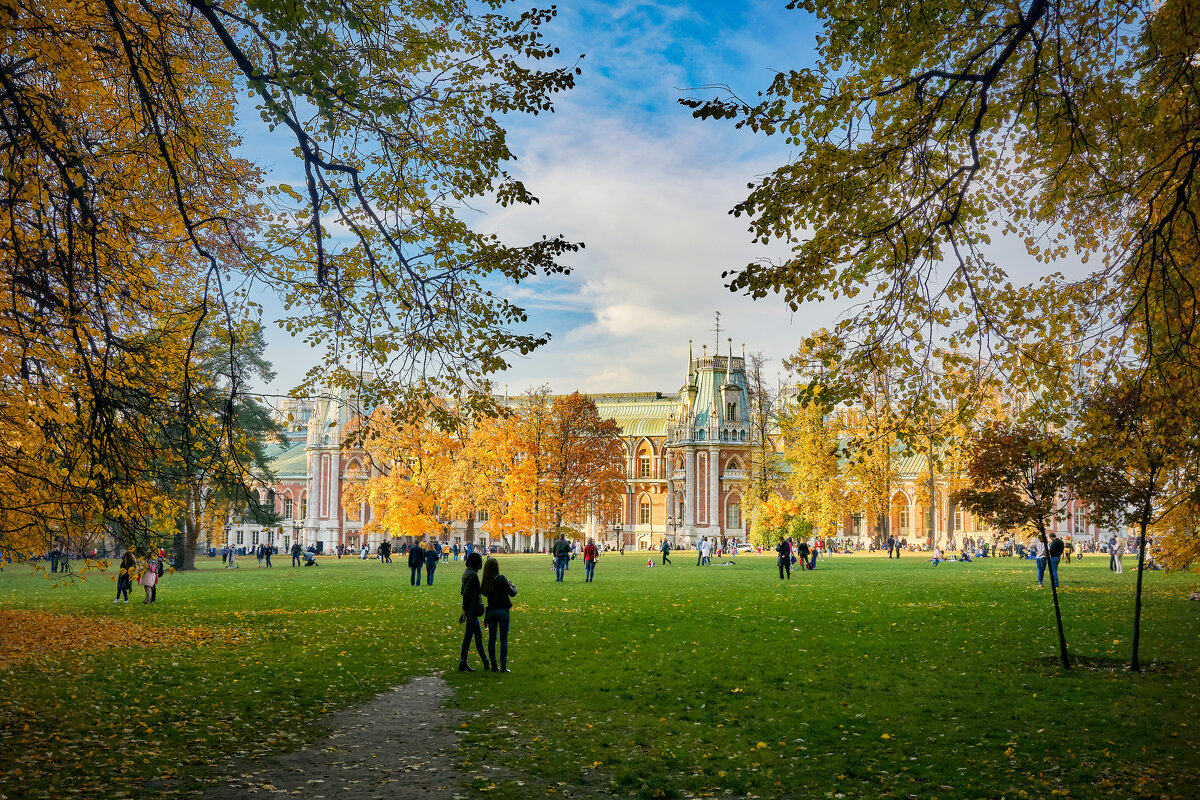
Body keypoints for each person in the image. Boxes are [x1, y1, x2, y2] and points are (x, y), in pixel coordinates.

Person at [481, 556, 517, 672]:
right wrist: (513, 586)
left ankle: (494, 666)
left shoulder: (486, 582)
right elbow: (512, 593)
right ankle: (503, 666)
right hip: (502, 610)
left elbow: (485, 593)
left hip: (491, 611)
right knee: (503, 639)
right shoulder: (501, 579)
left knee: (492, 639)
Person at [458, 552, 489, 671]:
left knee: (478, 635)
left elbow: (463, 591)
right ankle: (463, 662)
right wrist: (464, 611)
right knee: (469, 636)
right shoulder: (473, 575)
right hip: (472, 609)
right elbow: (466, 594)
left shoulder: (467, 572)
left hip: (471, 609)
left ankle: (485, 660)